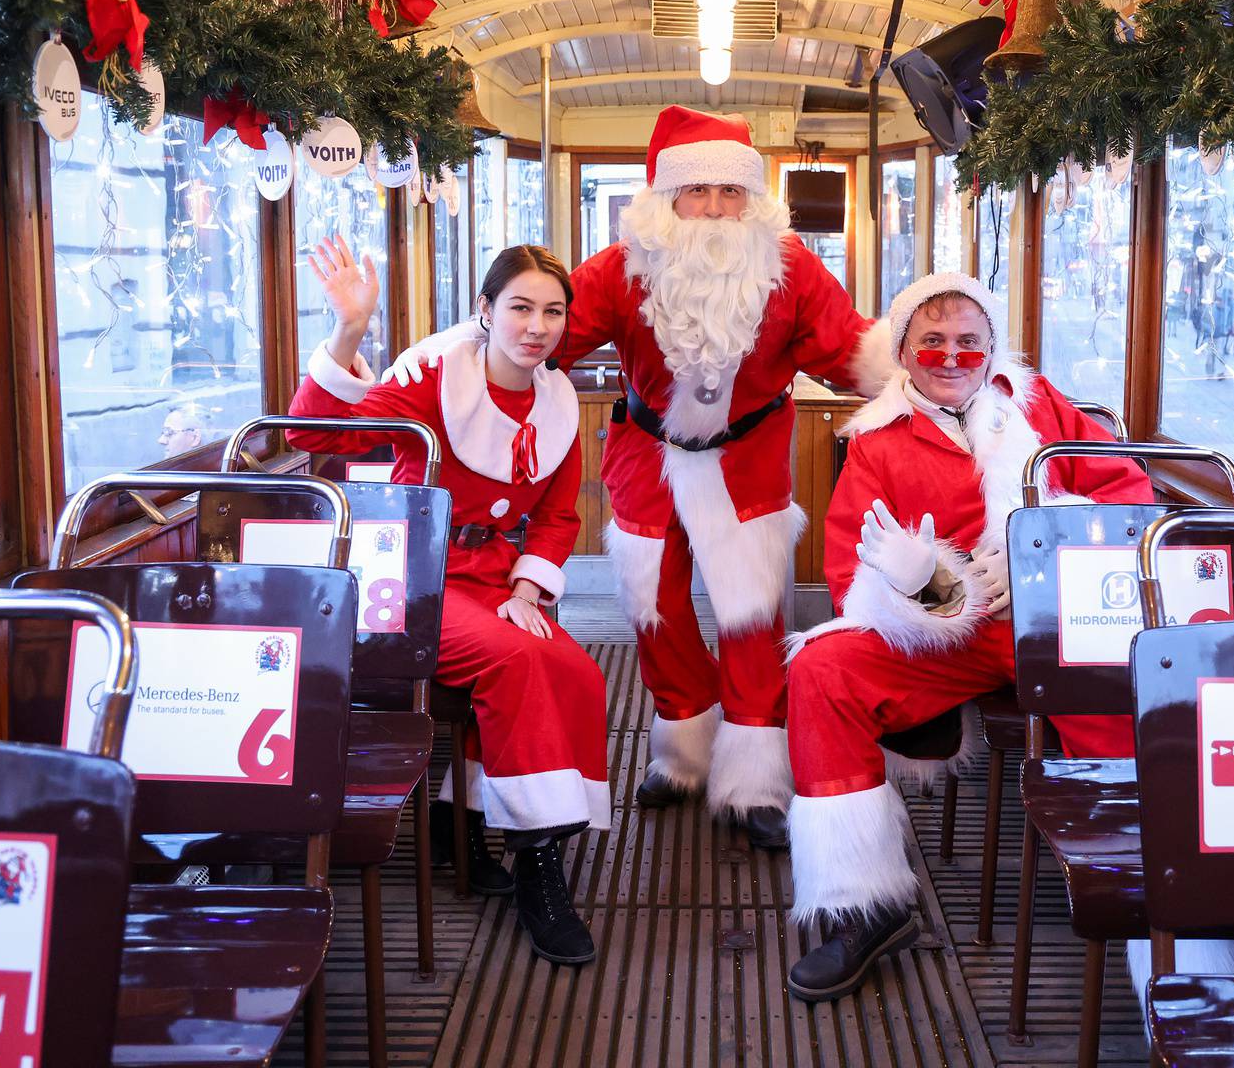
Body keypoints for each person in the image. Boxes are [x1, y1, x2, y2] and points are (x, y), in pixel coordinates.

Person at [390, 106, 890, 851]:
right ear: (666, 197)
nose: (716, 208)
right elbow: (544, 331)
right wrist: (453, 357)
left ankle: (755, 779)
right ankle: (684, 747)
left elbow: (848, 349)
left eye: (731, 192)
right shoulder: (622, 266)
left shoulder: (789, 266)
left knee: (753, 620)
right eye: (699, 192)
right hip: (647, 458)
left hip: (748, 459)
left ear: (752, 199)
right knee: (655, 610)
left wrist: (929, 374)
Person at [778, 273, 1153, 1001]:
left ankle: (1164, 910)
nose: (952, 357)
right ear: (904, 352)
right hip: (948, 635)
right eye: (932, 342)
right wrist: (932, 586)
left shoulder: (1036, 405)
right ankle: (867, 904)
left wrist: (1039, 544)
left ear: (992, 348)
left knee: (1134, 692)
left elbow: (1128, 492)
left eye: (968, 342)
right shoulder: (877, 442)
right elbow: (850, 578)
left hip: (1057, 618)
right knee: (821, 669)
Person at [286, 237, 608, 967]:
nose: (537, 326)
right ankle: (538, 867)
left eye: (553, 312)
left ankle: (456, 820)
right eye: (521, 307)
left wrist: (529, 586)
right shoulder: (436, 377)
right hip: (410, 575)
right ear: (485, 311)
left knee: (582, 676)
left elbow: (559, 517)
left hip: (495, 575)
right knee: (520, 660)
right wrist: (350, 330)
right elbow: (314, 433)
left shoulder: (557, 401)